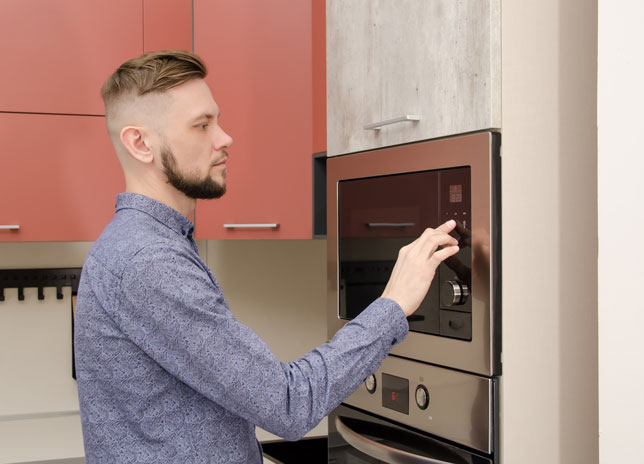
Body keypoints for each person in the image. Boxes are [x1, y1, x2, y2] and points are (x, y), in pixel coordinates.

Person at [74, 49, 459, 464]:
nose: (224, 138)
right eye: (202, 125)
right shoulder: (147, 260)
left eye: (216, 120)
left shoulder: (147, 244)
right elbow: (289, 404)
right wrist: (394, 304)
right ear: (141, 143)